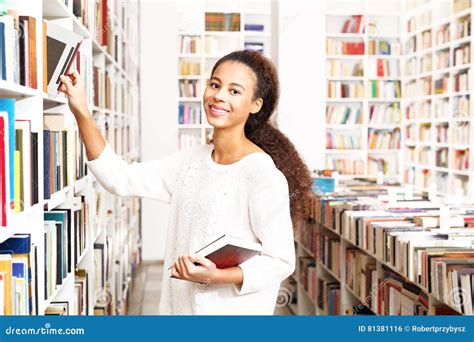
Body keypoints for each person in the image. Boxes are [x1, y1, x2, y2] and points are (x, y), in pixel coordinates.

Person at [59, 50, 312, 315]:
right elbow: (119, 178)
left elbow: (280, 260)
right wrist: (82, 111)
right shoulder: (190, 161)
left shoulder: (262, 174)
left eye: (234, 91)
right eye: (215, 84)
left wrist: (216, 276)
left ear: (255, 104)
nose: (219, 95)